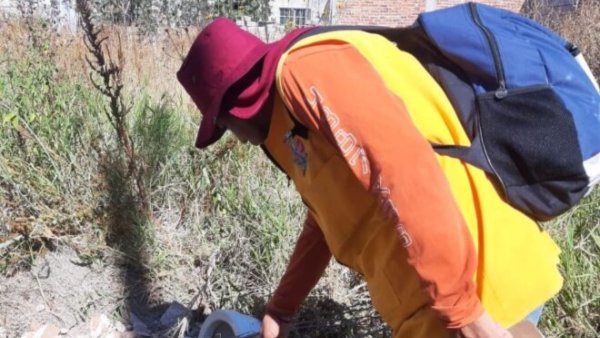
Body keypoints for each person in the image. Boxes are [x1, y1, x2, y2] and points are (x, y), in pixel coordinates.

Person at [176, 18, 563, 338]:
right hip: (443, 310)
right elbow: (328, 219)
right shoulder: (285, 119)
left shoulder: (307, 72)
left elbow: (401, 169)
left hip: (482, 291)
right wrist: (281, 310)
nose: (237, 139)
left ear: (237, 103)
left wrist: (466, 315)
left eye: (223, 124)